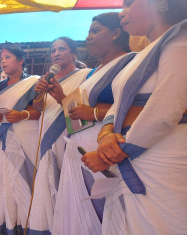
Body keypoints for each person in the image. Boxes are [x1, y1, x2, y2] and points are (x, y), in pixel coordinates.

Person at [82, 1, 187, 234]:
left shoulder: (181, 39)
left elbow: (166, 110)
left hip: (162, 159)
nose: (122, 12)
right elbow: (118, 104)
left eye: (129, 3)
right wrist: (106, 132)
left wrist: (111, 155)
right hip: (135, 155)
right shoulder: (144, 53)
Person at [51, 12, 134, 235]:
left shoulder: (130, 62)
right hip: (79, 148)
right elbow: (80, 113)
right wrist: (61, 98)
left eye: (95, 31)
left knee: (104, 209)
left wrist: (95, 112)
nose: (88, 37)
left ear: (116, 33)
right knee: (78, 206)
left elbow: (138, 108)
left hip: (106, 149)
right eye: (88, 32)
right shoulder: (94, 72)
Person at [28, 37, 91, 234]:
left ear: (73, 53)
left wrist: (61, 95)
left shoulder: (86, 75)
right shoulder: (46, 78)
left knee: (68, 178)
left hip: (70, 130)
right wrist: (39, 92)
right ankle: (47, 225)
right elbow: (39, 107)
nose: (56, 53)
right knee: (47, 177)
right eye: (53, 50)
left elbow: (84, 106)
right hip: (46, 129)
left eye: (61, 49)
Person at [0, 45, 41, 234]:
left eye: (7, 57)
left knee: (24, 179)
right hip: (2, 136)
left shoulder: (34, 83)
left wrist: (22, 114)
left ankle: (29, 225)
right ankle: (2, 225)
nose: (3, 62)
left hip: (26, 135)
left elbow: (42, 110)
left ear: (20, 60)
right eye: (1, 59)